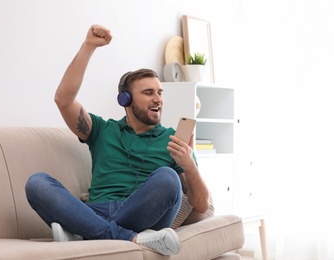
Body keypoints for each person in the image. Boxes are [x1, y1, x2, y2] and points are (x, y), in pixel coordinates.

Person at [25, 24, 210, 256]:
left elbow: (202, 205)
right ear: (125, 99)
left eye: (160, 92)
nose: (158, 100)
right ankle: (127, 237)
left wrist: (189, 166)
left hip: (142, 215)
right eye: (148, 93)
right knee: (37, 183)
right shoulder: (102, 130)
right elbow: (63, 100)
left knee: (169, 177)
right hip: (95, 210)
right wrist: (88, 47)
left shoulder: (174, 141)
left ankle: (83, 233)